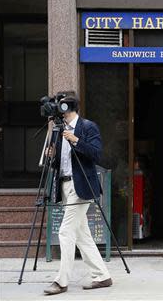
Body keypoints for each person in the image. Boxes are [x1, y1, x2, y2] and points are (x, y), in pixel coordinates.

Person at [43, 93, 112, 295]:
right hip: (64, 185)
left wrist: (76, 140)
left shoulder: (87, 127)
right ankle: (102, 276)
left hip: (81, 186)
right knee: (82, 235)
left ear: (69, 108)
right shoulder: (58, 130)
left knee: (65, 231)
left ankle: (61, 281)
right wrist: (51, 156)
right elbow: (61, 163)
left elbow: (96, 154)